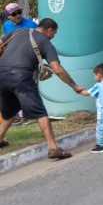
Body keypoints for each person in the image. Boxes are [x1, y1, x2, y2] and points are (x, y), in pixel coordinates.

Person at [0, 19, 85, 157]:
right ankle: (53, 148)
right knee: (40, 112)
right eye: (54, 33)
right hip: (21, 76)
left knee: (10, 110)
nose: (53, 36)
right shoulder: (45, 42)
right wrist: (74, 86)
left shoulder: (17, 31)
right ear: (49, 29)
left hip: (1, 75)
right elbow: (57, 69)